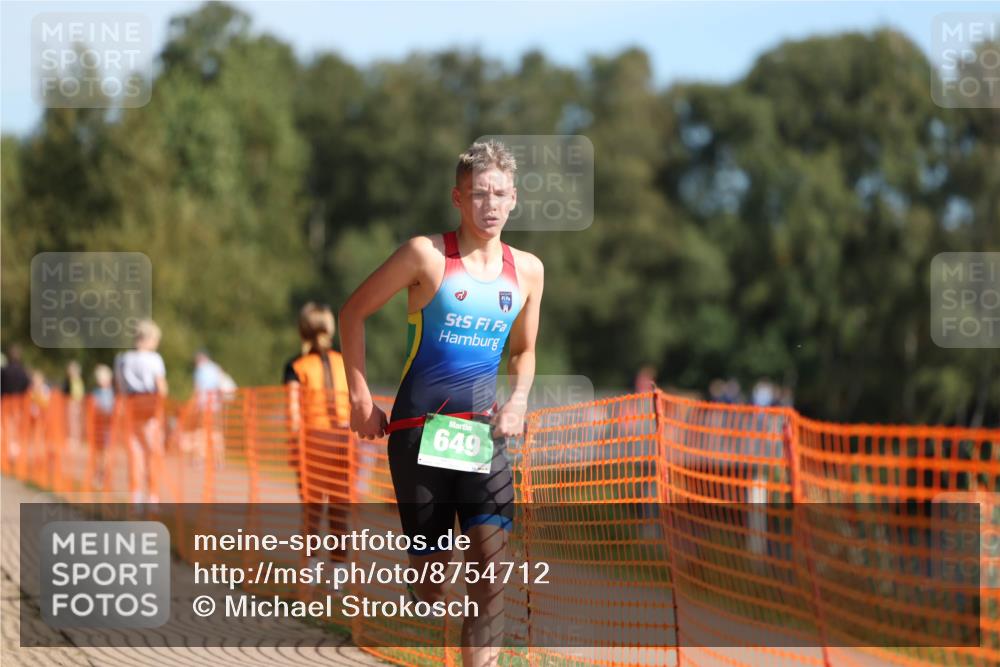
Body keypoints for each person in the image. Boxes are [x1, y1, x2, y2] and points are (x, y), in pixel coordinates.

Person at [340, 139, 544, 667]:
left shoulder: (528, 271)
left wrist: (518, 401)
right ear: (458, 198)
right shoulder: (425, 255)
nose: (490, 205)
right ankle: (424, 581)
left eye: (500, 194)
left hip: (482, 436)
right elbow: (353, 312)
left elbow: (523, 351)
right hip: (418, 433)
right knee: (432, 586)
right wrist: (360, 399)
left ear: (515, 198)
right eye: (479, 194)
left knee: (490, 574)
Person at [283, 303, 351, 571]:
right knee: (340, 512)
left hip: (312, 443)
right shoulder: (344, 362)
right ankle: (338, 579)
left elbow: (293, 413)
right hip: (344, 443)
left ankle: (309, 573)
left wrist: (294, 446)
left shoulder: (296, 366)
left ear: (302, 330)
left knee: (312, 512)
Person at [114, 319, 168, 504]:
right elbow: (161, 387)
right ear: (149, 338)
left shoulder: (123, 359)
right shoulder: (154, 359)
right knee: (152, 451)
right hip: (150, 406)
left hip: (130, 406)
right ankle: (152, 494)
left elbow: (120, 387)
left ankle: (135, 494)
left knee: (135, 450)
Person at [90, 364, 116, 488]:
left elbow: (112, 410)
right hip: (98, 426)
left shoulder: (111, 393)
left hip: (107, 427)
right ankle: (98, 474)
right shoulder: (96, 392)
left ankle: (103, 475)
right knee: (98, 452)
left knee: (105, 452)